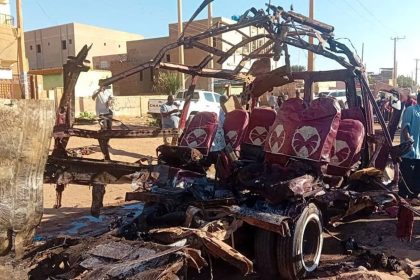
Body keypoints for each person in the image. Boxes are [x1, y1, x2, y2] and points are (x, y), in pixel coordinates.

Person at [399, 92, 420, 205]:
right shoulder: (411, 110)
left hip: (419, 153)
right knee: (407, 175)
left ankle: (414, 196)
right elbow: (405, 128)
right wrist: (409, 141)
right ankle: (403, 198)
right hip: (410, 152)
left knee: (417, 176)